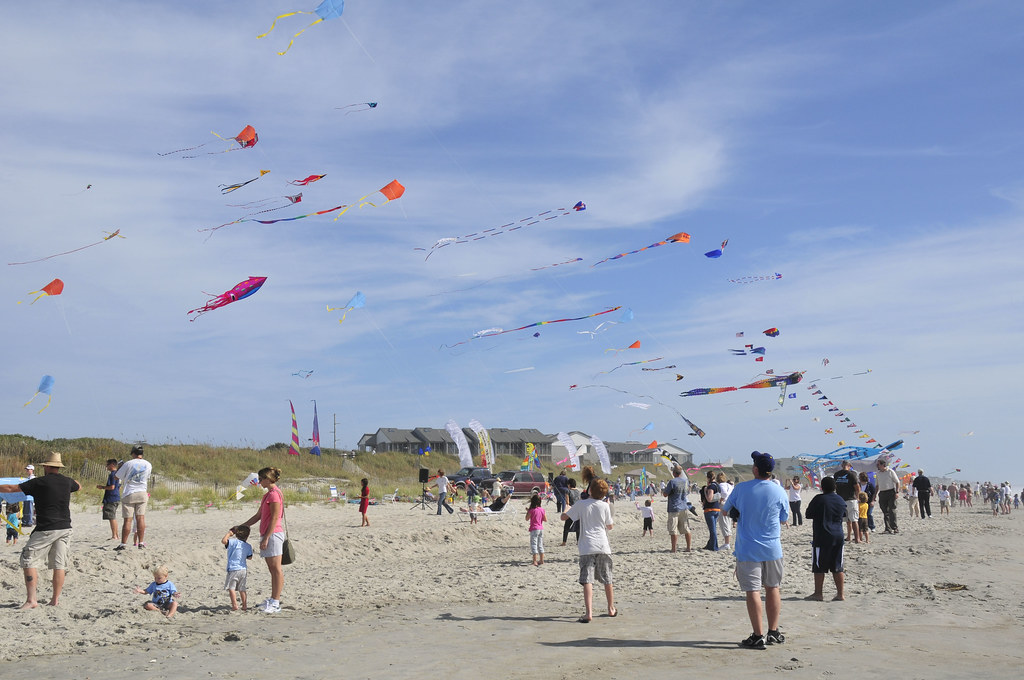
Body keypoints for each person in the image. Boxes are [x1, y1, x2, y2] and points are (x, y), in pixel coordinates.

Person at [721, 451, 789, 650]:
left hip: (748, 548)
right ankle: (773, 632)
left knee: (753, 591)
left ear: (756, 469)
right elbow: (784, 519)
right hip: (772, 548)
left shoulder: (741, 488)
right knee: (773, 587)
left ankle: (758, 635)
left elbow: (725, 511)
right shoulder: (779, 491)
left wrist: (737, 511)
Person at [0, 451, 81, 608]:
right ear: (58, 467)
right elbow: (78, 485)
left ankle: (31, 600)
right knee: (59, 564)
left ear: (45, 466)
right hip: (65, 527)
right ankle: (55, 600)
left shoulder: (39, 482)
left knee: (28, 558)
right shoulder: (67, 482)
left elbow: (11, 488)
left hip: (47, 528)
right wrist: (69, 482)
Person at [561, 478, 616, 623]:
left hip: (586, 547)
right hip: (603, 546)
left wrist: (566, 507)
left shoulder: (581, 504)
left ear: (589, 490)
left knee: (587, 580)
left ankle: (589, 613)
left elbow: (563, 517)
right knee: (607, 578)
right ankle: (611, 608)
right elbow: (610, 526)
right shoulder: (604, 506)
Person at [241, 467, 285, 614]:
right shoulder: (268, 495)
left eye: (261, 479)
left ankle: (276, 602)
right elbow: (259, 515)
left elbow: (275, 517)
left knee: (276, 569)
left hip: (273, 534)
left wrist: (266, 537)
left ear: (268, 479)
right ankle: (273, 599)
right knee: (272, 569)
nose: (259, 482)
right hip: (268, 533)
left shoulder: (274, 495)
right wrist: (243, 525)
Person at [803, 476, 847, 601]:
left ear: (822, 487)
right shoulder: (840, 500)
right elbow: (844, 514)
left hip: (822, 535)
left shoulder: (819, 499)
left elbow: (808, 514)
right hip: (838, 535)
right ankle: (840, 594)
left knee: (819, 566)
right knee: (837, 566)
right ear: (835, 487)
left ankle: (818, 593)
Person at [114, 445, 152, 550]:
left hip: (129, 492)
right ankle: (141, 542)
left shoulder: (128, 463)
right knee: (141, 518)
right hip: (142, 492)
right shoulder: (148, 464)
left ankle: (123, 544)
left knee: (128, 520)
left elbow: (116, 476)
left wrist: (120, 467)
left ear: (133, 453)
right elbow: (146, 477)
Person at [222, 525, 254, 611]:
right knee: (242, 588)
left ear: (236, 534)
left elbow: (224, 541)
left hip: (233, 568)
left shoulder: (233, 542)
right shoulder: (248, 546)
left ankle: (235, 605)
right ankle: (244, 605)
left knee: (231, 588)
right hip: (243, 569)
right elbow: (250, 557)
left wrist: (229, 533)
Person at [662, 465, 692, 553]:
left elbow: (665, 494)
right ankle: (688, 547)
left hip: (674, 507)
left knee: (673, 529)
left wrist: (666, 491)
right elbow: (687, 492)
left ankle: (674, 548)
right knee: (686, 528)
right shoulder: (685, 481)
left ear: (674, 472)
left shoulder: (672, 482)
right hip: (684, 506)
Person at [832, 461, 860, 543]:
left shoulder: (837, 474)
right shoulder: (851, 474)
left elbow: (835, 486)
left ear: (842, 465)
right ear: (850, 466)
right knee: (854, 520)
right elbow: (857, 487)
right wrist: (857, 497)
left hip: (841, 499)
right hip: (850, 499)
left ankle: (848, 537)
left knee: (847, 520)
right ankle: (857, 539)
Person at [96, 458, 121, 540]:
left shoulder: (112, 474)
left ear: (112, 465)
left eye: (107, 464)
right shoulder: (118, 474)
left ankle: (114, 536)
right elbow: (119, 487)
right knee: (113, 517)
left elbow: (112, 487)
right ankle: (116, 535)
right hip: (116, 497)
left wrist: (102, 487)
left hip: (111, 498)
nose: (106, 466)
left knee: (111, 517)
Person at [874, 459, 900, 534]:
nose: (877, 466)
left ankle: (895, 527)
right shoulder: (878, 473)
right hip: (882, 493)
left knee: (892, 510)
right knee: (885, 511)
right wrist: (875, 495)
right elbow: (877, 485)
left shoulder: (890, 471)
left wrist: (897, 492)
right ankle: (887, 528)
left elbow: (897, 482)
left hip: (891, 492)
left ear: (883, 465)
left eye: (878, 465)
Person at [700, 470, 722, 551]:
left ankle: (714, 546)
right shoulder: (718, 486)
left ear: (708, 478)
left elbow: (709, 499)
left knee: (712, 530)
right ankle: (710, 544)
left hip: (710, 509)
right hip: (717, 508)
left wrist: (705, 491)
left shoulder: (711, 487)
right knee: (713, 529)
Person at [526, 494, 546, 566]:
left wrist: (528, 511)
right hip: (541, 528)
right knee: (540, 544)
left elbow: (527, 518)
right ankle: (541, 560)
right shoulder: (542, 510)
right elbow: (545, 519)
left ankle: (534, 561)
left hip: (534, 528)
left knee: (534, 544)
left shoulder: (532, 510)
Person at [716, 472, 734, 550]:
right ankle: (727, 542)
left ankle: (727, 543)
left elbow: (724, 493)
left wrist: (721, 500)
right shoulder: (730, 485)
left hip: (724, 504)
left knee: (724, 523)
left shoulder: (721, 485)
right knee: (728, 522)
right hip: (730, 504)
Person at [561, 478, 581, 545]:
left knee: (566, 526)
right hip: (578, 510)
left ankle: (564, 542)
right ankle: (578, 541)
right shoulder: (578, 491)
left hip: (571, 510)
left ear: (569, 484)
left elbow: (567, 502)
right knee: (577, 527)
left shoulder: (568, 491)